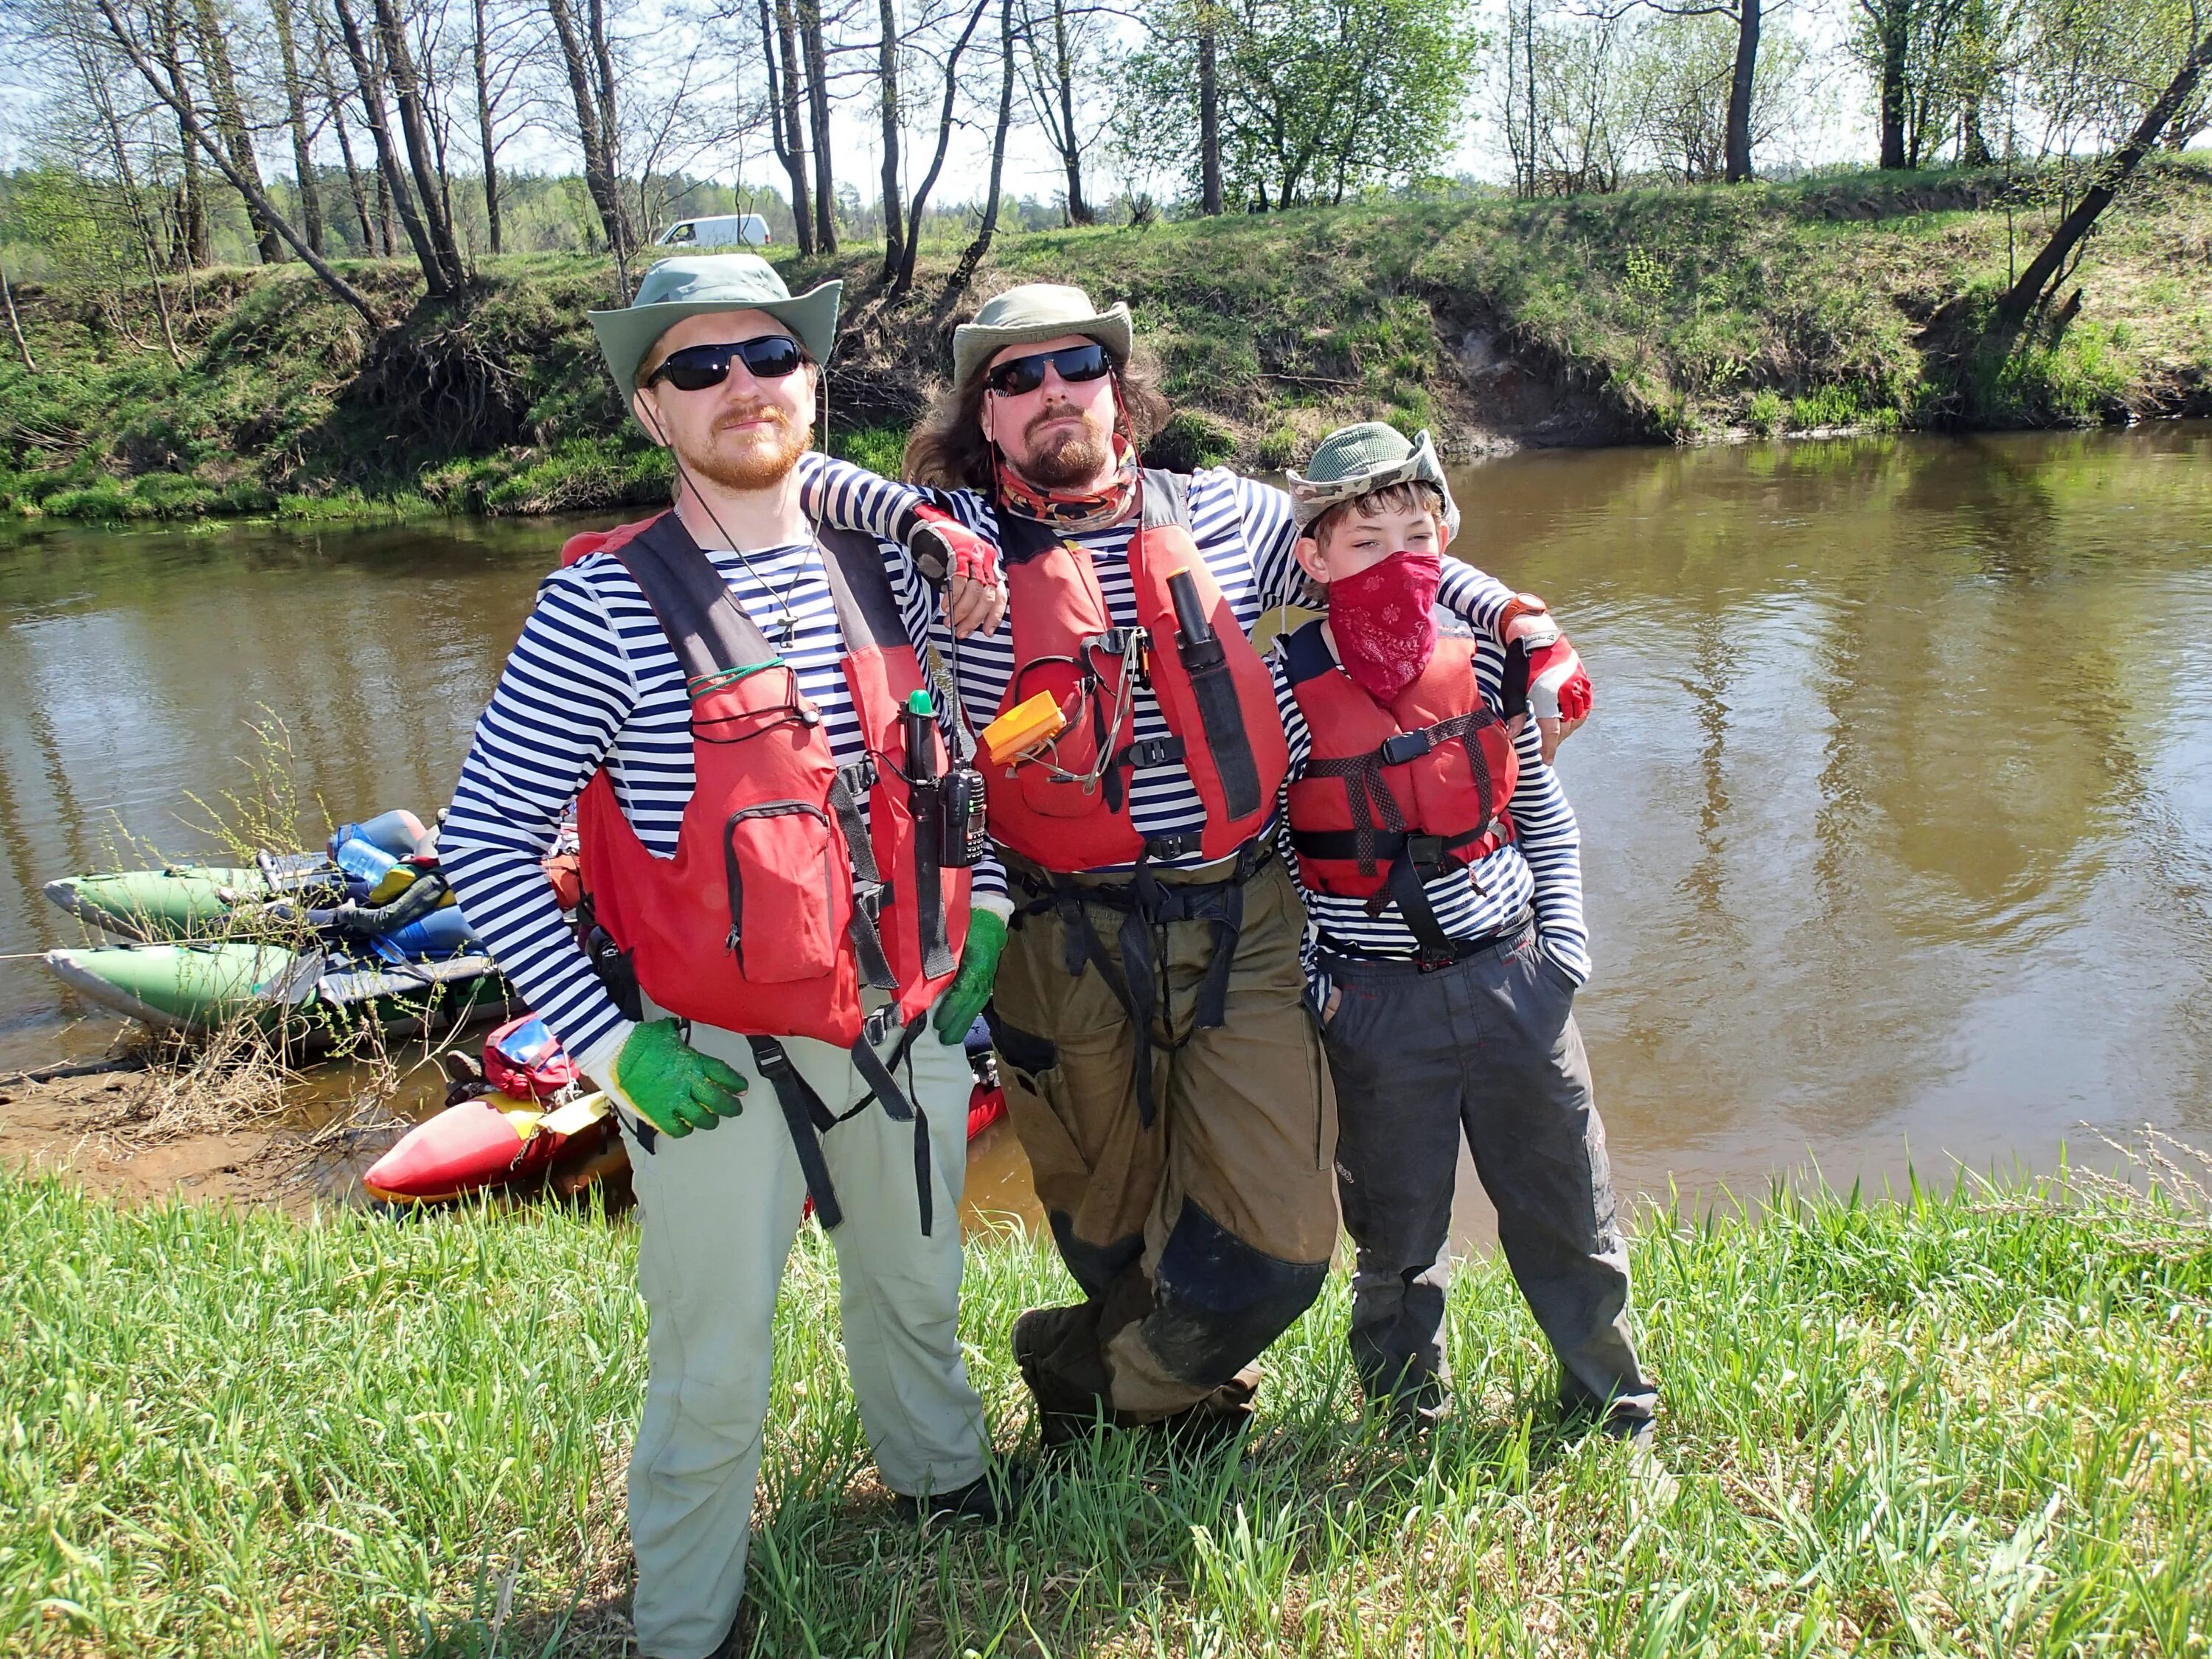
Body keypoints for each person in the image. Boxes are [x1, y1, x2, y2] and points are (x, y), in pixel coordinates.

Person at [792, 285, 1593, 1444]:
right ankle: (1172, 1408)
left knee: (1279, 1248)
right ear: (986, 413)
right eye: (1014, 378)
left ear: (1120, 391)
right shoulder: (934, 548)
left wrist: (1521, 619)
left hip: (1241, 918)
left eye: (1075, 365)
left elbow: (1380, 548)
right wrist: (918, 521)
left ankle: (1079, 1377)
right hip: (1055, 933)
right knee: (1109, 1232)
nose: (1049, 391)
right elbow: (793, 481)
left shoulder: (1223, 512)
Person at [438, 255, 1020, 1659]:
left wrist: (985, 898)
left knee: (918, 1286)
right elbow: (482, 840)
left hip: (909, 1019)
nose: (740, 386)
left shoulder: (902, 558)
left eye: (768, 355)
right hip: (704, 1049)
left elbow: (949, 763)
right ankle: (686, 1619)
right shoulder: (602, 604)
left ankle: (939, 1480)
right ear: (653, 410)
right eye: (696, 368)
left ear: (813, 379)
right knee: (712, 1363)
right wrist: (604, 1040)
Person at [1272, 422, 1655, 1447]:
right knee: (1397, 1240)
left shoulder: (1491, 656)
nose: (1397, 561)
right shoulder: (1285, 687)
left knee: (1569, 1208)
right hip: (1374, 1008)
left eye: (1416, 534)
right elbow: (1270, 856)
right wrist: (1322, 988)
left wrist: (1564, 952)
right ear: (1312, 558)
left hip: (1514, 980)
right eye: (1365, 542)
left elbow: (1542, 810)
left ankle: (1614, 1402)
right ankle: (1408, 1422)